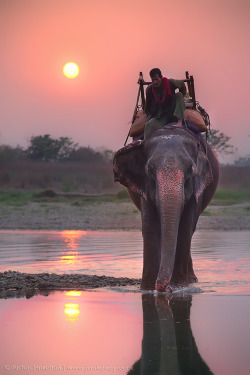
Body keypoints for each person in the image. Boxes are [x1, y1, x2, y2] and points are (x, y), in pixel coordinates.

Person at [144, 68, 186, 139]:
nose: (154, 82)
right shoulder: (149, 90)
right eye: (153, 80)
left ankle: (179, 122)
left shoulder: (170, 82)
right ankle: (144, 144)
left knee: (179, 95)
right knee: (148, 125)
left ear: (161, 77)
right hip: (160, 116)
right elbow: (147, 106)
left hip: (173, 113)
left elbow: (182, 84)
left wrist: (183, 95)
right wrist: (149, 116)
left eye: (156, 79)